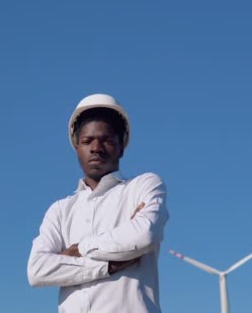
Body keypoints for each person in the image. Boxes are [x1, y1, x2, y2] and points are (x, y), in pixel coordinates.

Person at [27, 94, 170, 312]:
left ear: (121, 146)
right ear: (77, 147)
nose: (96, 147)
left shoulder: (144, 185)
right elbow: (37, 270)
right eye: (87, 141)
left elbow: (143, 235)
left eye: (107, 140)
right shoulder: (60, 210)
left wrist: (79, 249)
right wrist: (108, 266)